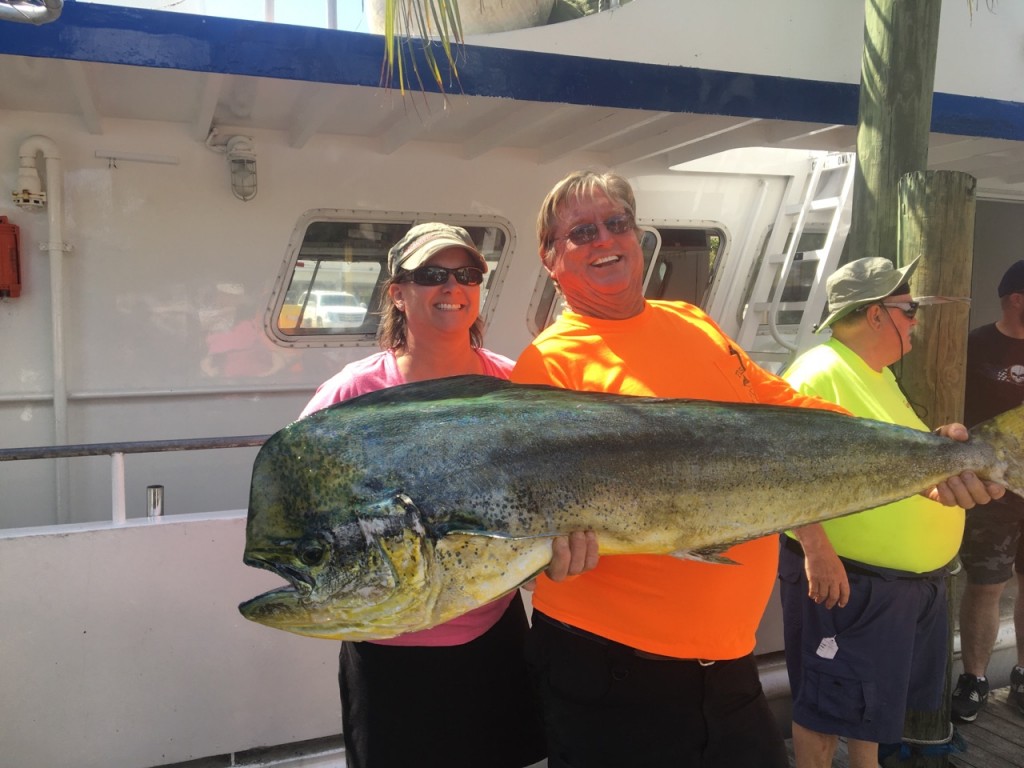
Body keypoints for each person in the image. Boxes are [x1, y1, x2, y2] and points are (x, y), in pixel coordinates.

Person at [510, 170, 1000, 768]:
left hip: (726, 662)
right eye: (581, 232)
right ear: (550, 257)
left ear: (639, 236)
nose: (604, 239)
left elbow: (784, 412)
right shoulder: (546, 365)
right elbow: (537, 520)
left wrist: (923, 453)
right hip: (613, 666)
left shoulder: (690, 322)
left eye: (617, 223)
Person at [299, 222, 596, 768]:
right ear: (397, 292)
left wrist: (552, 558)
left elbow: (547, 507)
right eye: (431, 275)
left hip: (497, 640)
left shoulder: (513, 387)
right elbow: (305, 515)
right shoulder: (350, 395)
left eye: (466, 275)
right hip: (387, 655)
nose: (451, 288)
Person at [778, 256, 993, 768]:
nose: (917, 320)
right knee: (824, 710)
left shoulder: (878, 376)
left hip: (899, 588)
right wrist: (817, 549)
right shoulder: (819, 370)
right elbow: (781, 470)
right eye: (909, 309)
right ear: (876, 315)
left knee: (871, 711)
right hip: (850, 582)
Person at [952, 259, 1024, 723]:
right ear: (1016, 300)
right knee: (986, 586)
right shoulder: (974, 345)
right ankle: (974, 679)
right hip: (992, 493)